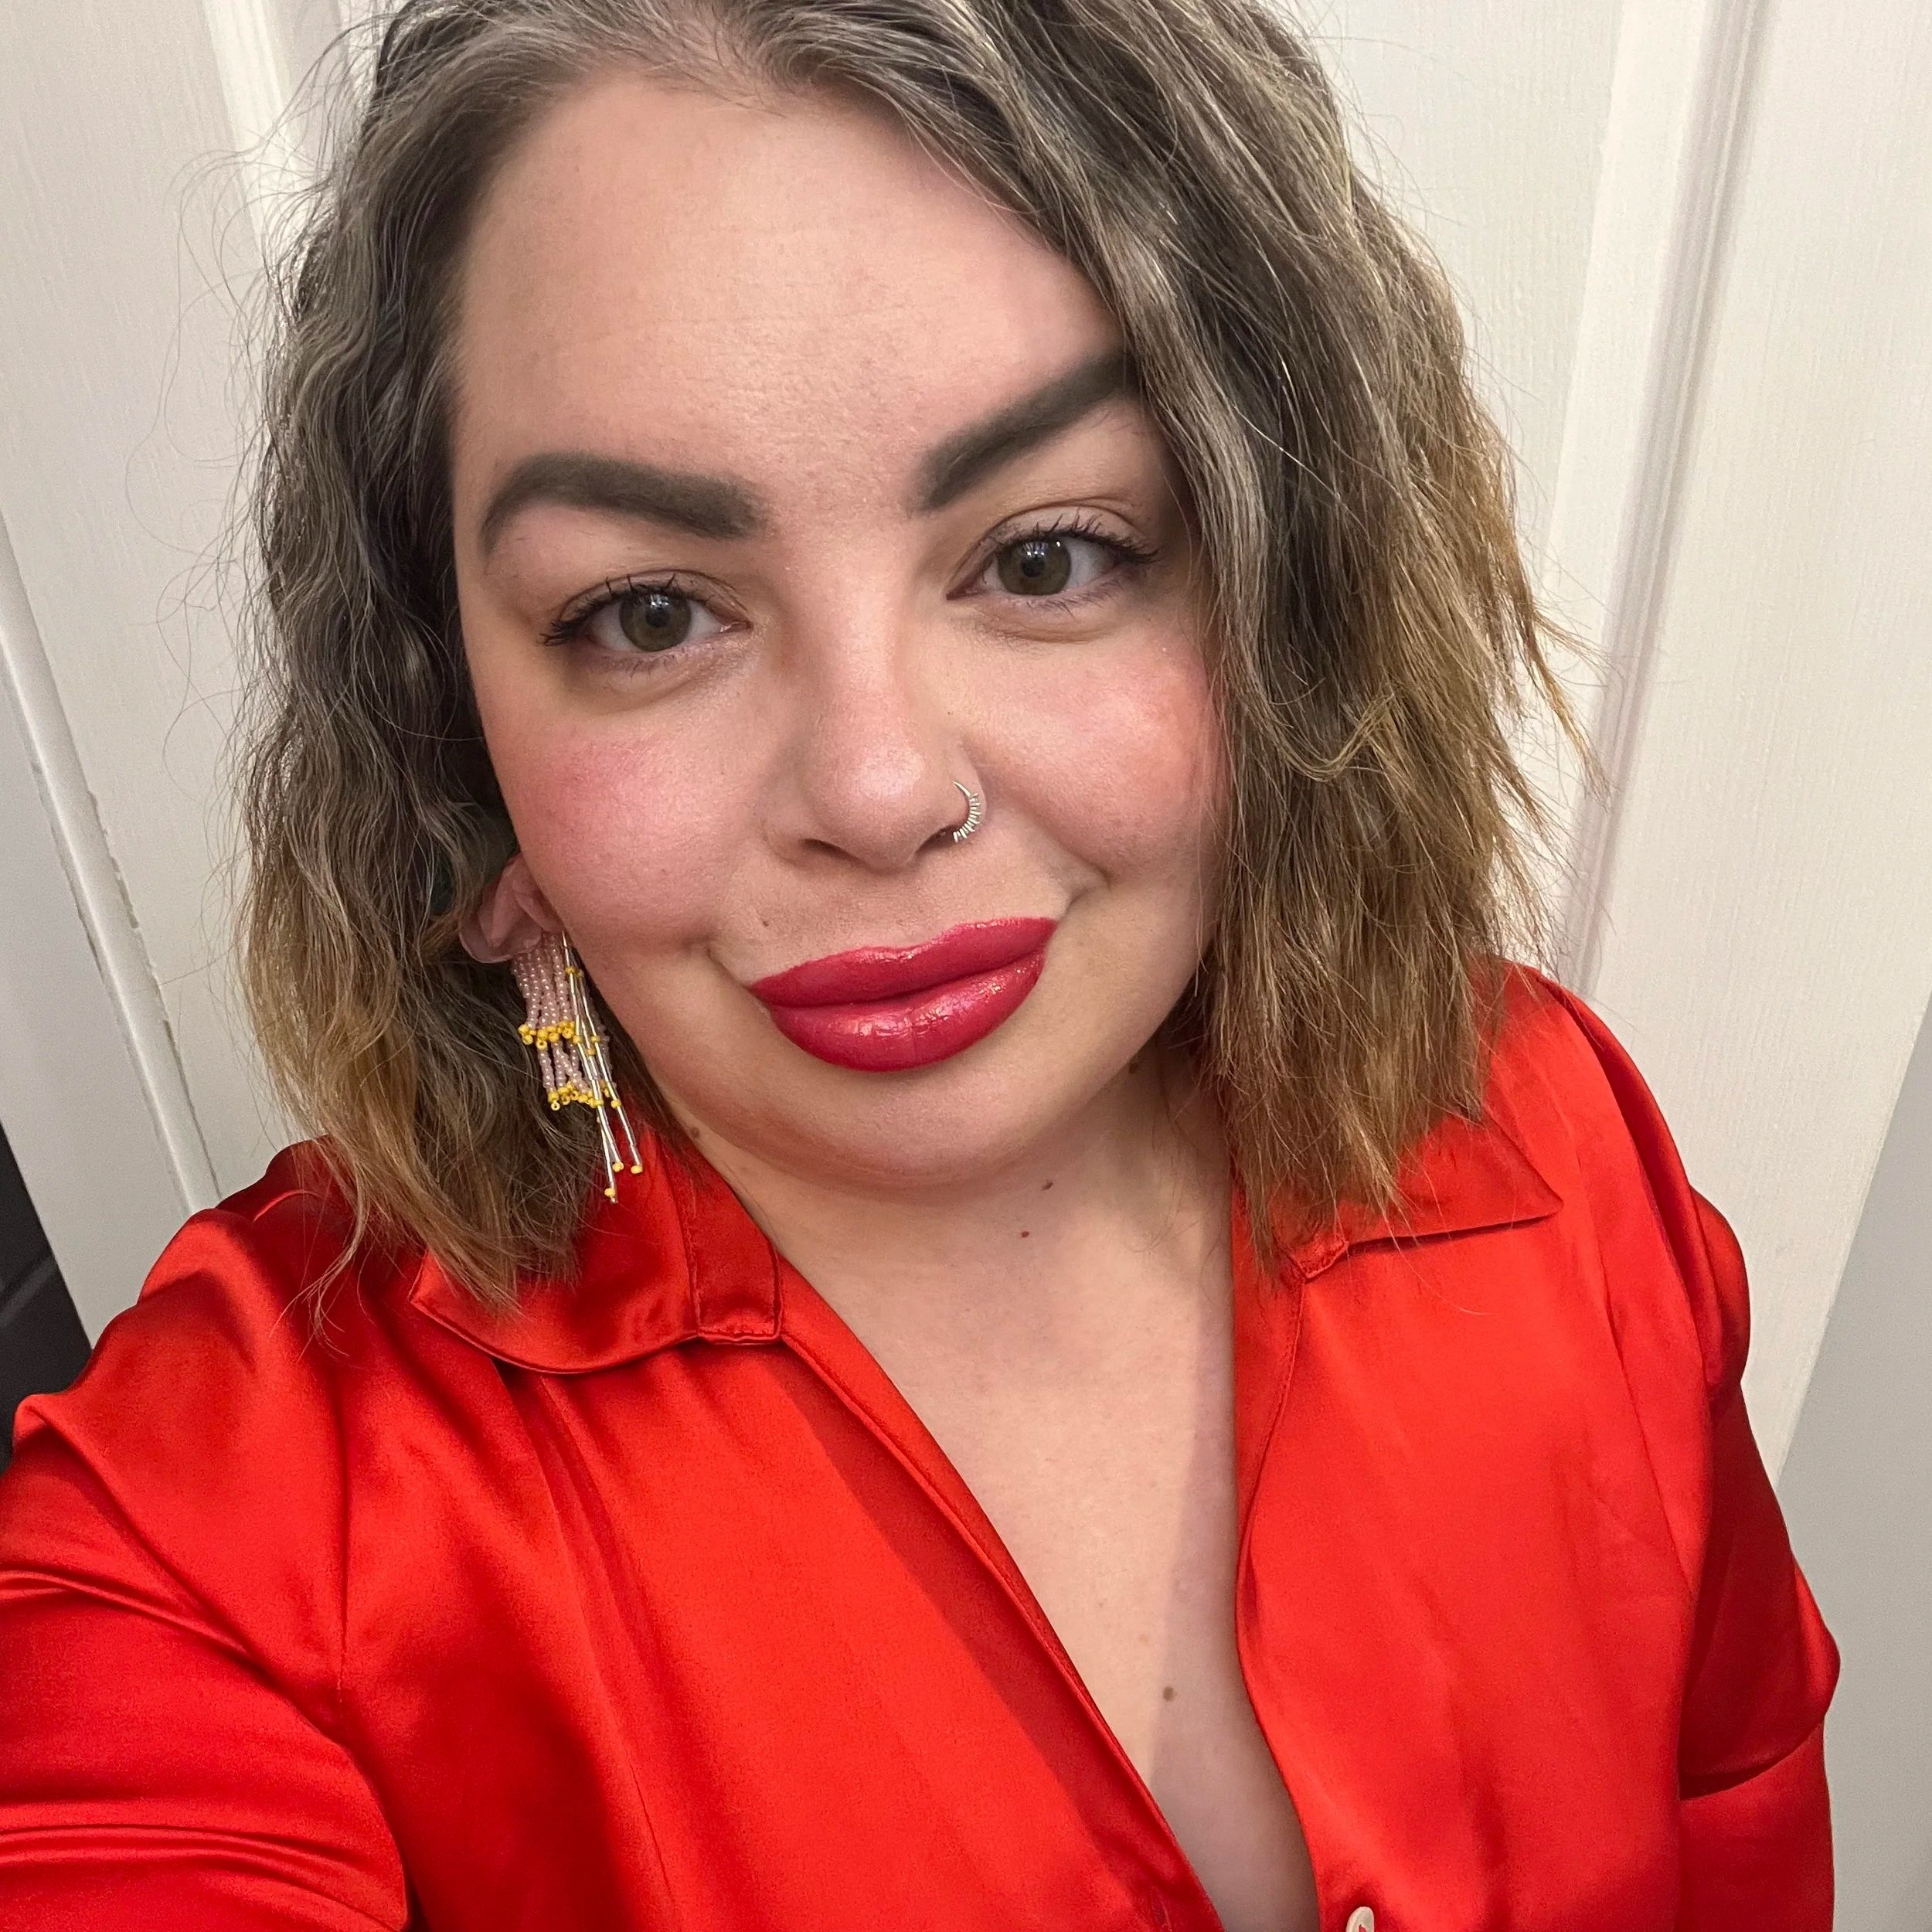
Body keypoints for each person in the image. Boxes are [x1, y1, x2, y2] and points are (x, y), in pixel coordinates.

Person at [0, 2, 1838, 1927]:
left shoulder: (1552, 1142)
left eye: (1045, 557)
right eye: (647, 613)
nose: (878, 789)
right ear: (454, 734)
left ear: (1283, 583)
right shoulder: (232, 1532)